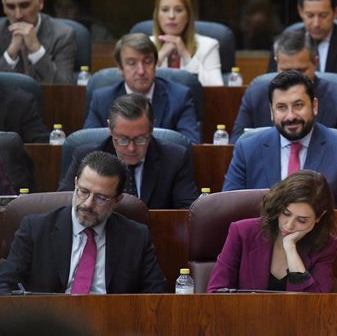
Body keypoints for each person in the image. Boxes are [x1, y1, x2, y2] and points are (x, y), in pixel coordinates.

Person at [0, 150, 168, 294]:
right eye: (84, 191)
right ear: (75, 184)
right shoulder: (35, 229)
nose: (88, 204)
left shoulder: (136, 237)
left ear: (117, 199)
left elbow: (155, 294)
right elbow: (5, 285)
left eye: (101, 198)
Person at [223, 70, 337, 209]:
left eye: (298, 105)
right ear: (271, 111)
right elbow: (229, 208)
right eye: (281, 107)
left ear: (314, 106)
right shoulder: (247, 148)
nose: (290, 116)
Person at [208, 170, 337, 293]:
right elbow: (216, 292)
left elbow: (317, 304)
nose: (289, 225)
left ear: (319, 217)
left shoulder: (326, 246)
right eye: (286, 213)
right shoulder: (242, 232)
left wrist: (290, 248)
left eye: (301, 220)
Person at [230, 28, 337, 144]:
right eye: (285, 70)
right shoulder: (256, 93)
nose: (294, 78)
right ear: (276, 63)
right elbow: (236, 144)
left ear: (315, 62)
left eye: (301, 71)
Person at [61, 94, 198, 209]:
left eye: (139, 139)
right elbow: (62, 205)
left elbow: (187, 213)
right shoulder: (85, 157)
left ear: (151, 129)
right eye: (123, 139)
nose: (131, 148)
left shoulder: (175, 158)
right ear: (110, 129)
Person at [84, 33, 200, 143]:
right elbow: (88, 145)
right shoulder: (102, 100)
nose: (141, 71)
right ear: (120, 68)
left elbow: (190, 144)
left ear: (155, 64)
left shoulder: (179, 97)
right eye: (132, 63)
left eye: (148, 62)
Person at [1, 0, 76, 84]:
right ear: (4, 7)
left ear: (40, 2)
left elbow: (63, 89)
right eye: (11, 7)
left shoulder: (63, 35)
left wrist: (37, 50)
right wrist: (10, 53)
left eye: (24, 5)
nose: (18, 15)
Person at [151, 0, 223, 86]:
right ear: (157, 16)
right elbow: (137, 85)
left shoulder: (208, 46)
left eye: (178, 10)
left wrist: (186, 56)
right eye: (165, 10)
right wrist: (160, 56)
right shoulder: (147, 45)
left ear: (188, 16)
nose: (171, 16)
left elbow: (217, 87)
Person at [43, 0, 115, 43]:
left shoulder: (97, 32)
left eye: (70, 7)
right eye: (59, 6)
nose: (64, 12)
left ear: (79, 9)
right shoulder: (44, 30)